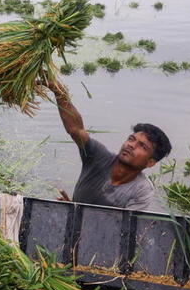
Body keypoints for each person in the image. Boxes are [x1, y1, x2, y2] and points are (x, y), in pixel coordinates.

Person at [46, 78, 172, 212]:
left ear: (150, 162)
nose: (131, 145)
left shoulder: (141, 191)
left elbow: (122, 229)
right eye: (131, 139)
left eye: (142, 146)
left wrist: (73, 213)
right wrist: (58, 90)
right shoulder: (98, 156)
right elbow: (76, 129)